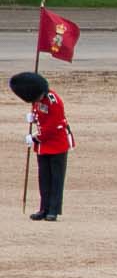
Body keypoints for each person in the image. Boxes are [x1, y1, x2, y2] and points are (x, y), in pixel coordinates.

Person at [14, 72, 73, 221]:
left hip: (57, 144)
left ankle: (53, 210)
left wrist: (34, 138)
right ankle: (44, 208)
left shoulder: (54, 101)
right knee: (44, 178)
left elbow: (53, 127)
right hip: (44, 146)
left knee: (56, 179)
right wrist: (33, 118)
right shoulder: (36, 98)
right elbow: (40, 115)